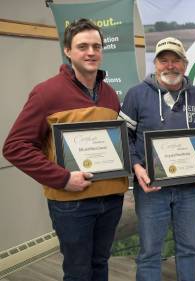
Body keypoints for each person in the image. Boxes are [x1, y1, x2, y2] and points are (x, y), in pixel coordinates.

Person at [2, 19, 128, 281]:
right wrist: (62, 178)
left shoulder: (110, 95)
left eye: (97, 46)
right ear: (68, 51)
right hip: (72, 204)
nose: (91, 52)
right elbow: (15, 147)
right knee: (78, 272)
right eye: (83, 46)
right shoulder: (46, 93)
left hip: (111, 199)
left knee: (101, 263)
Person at [119, 37, 195, 281]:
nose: (170, 66)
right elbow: (123, 138)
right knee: (150, 251)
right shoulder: (135, 94)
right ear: (155, 63)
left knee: (189, 249)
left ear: (185, 64)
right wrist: (137, 167)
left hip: (189, 190)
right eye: (164, 60)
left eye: (176, 60)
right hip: (152, 189)